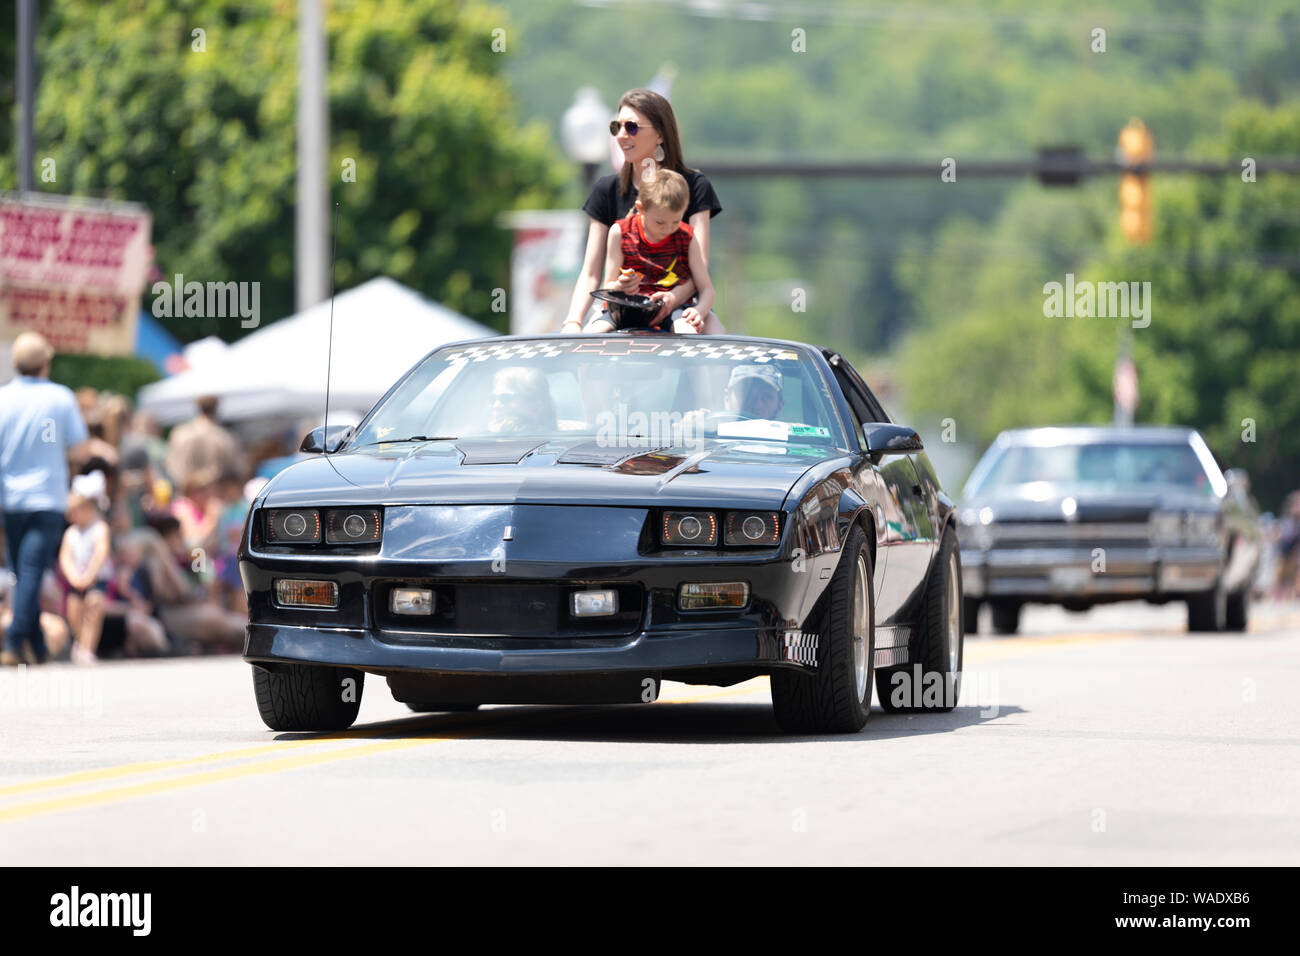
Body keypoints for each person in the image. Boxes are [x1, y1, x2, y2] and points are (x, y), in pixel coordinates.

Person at [560, 88, 725, 333]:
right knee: (587, 342)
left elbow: (698, 266)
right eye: (616, 127)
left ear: (660, 134)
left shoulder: (694, 185)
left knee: (714, 337)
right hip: (621, 308)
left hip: (682, 306)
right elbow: (592, 272)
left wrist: (672, 299)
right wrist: (572, 322)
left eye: (632, 127)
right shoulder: (606, 189)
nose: (621, 135)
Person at [0, 332, 90, 665]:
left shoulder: (3, 397)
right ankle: (14, 642)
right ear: (45, 363)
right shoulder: (59, 397)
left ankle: (37, 647)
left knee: (23, 571)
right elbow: (79, 447)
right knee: (31, 571)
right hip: (47, 498)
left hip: (11, 499)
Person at [587, 169, 716, 334]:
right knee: (592, 333)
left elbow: (707, 289)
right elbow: (609, 285)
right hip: (624, 308)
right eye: (660, 223)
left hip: (671, 309)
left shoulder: (688, 237)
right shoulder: (620, 232)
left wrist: (699, 310)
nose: (668, 229)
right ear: (640, 208)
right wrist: (620, 285)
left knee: (687, 332)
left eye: (676, 221)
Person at [57, 491, 113, 665]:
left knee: (93, 608)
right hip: (77, 580)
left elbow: (101, 553)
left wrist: (90, 575)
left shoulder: (99, 528)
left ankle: (88, 649)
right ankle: (80, 642)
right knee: (74, 614)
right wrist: (74, 577)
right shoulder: (71, 533)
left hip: (96, 579)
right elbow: (65, 557)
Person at [164, 394, 246, 492]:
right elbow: (237, 470)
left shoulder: (180, 434)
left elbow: (170, 466)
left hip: (185, 493)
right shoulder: (225, 437)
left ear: (198, 407)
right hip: (214, 494)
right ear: (216, 408)